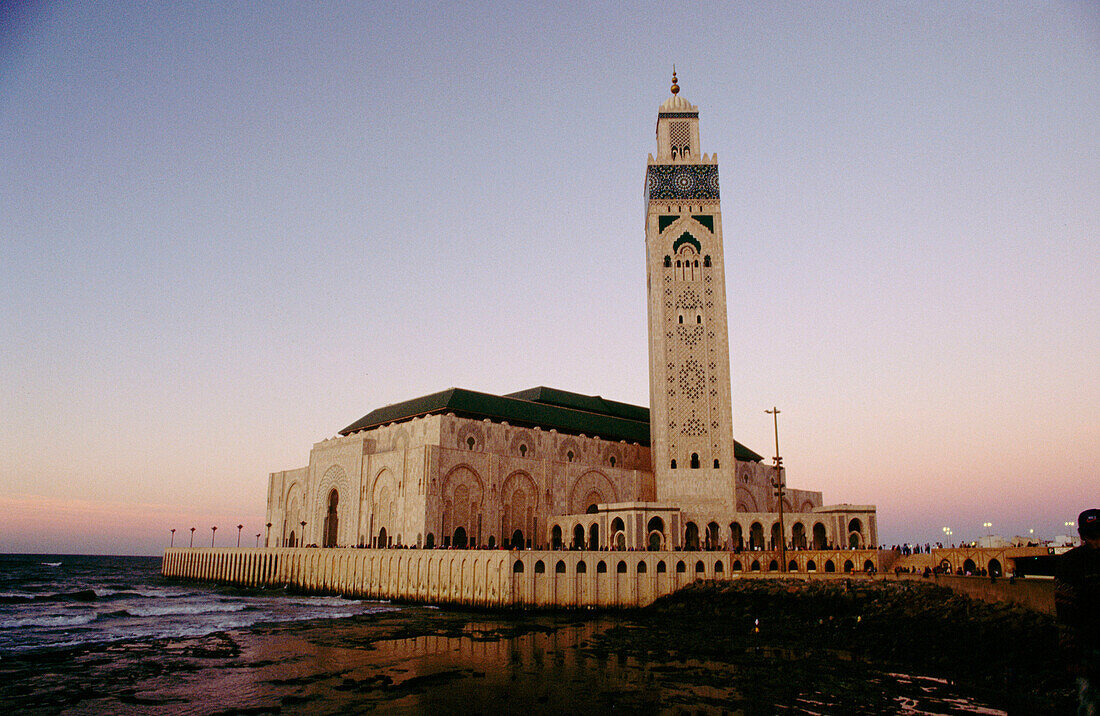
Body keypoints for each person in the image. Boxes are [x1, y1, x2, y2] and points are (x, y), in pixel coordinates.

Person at [1056, 508, 1100, 715]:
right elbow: (1065, 611)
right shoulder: (1070, 564)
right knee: (1090, 703)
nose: (1097, 541)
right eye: (1093, 536)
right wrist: (1070, 654)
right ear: (1082, 535)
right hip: (1088, 650)